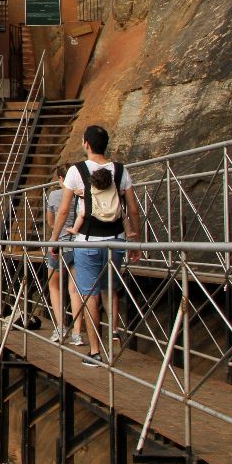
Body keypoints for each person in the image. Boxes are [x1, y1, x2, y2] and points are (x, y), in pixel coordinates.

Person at [48, 125, 143, 367]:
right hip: (117, 240)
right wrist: (136, 241)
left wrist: (54, 239)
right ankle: (113, 335)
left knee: (90, 294)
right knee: (109, 289)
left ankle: (95, 352)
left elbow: (64, 210)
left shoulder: (76, 171)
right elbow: (132, 209)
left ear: (86, 144)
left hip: (87, 241)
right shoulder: (121, 171)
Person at [45, 165, 83, 345]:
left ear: (61, 178)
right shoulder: (82, 194)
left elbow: (50, 220)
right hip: (78, 244)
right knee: (75, 289)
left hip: (59, 244)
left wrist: (55, 235)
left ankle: (60, 328)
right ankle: (77, 333)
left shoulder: (54, 195)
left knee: (54, 286)